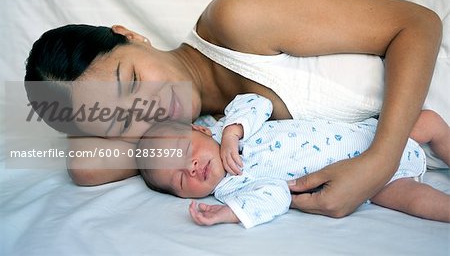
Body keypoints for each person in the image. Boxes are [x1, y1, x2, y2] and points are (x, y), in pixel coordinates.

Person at [24, 0, 443, 218]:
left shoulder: (236, 19)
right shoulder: (205, 136)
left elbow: (419, 24)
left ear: (130, 36)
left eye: (131, 81)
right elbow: (83, 165)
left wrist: (379, 162)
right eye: (121, 121)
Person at [136, 93, 450, 228]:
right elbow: (276, 196)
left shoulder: (231, 127)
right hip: (370, 183)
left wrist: (232, 132)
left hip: (374, 134)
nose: (190, 168)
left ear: (199, 129)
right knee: (415, 200)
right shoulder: (231, 189)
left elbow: (258, 102)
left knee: (430, 122)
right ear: (181, 196)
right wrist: (230, 213)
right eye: (179, 179)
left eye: (185, 151)